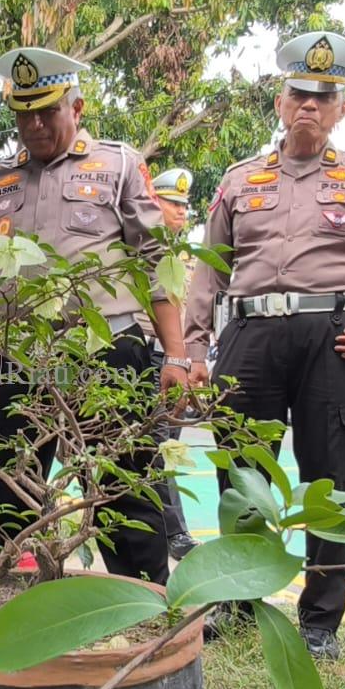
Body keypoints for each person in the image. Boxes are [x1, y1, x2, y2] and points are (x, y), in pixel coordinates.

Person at [186, 31, 345, 659]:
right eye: (299, 94)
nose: (309, 107)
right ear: (279, 101)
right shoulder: (239, 180)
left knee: (330, 479)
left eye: (324, 98)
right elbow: (207, 272)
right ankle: (240, 600)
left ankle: (321, 621)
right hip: (250, 337)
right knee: (242, 473)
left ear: (341, 108)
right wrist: (192, 350)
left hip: (337, 340)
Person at [0, 46, 188, 584]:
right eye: (23, 114)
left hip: (107, 353)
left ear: (76, 107)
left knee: (125, 488)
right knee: (10, 492)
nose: (34, 125)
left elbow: (157, 263)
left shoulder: (118, 165)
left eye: (47, 111)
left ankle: (143, 606)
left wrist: (177, 356)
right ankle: (15, 604)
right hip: (14, 360)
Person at [148, 166, 201, 560]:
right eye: (172, 203)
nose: (181, 211)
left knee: (166, 447)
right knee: (155, 447)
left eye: (184, 205)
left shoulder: (186, 257)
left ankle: (168, 530)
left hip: (176, 362)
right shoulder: (138, 249)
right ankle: (173, 533)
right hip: (148, 354)